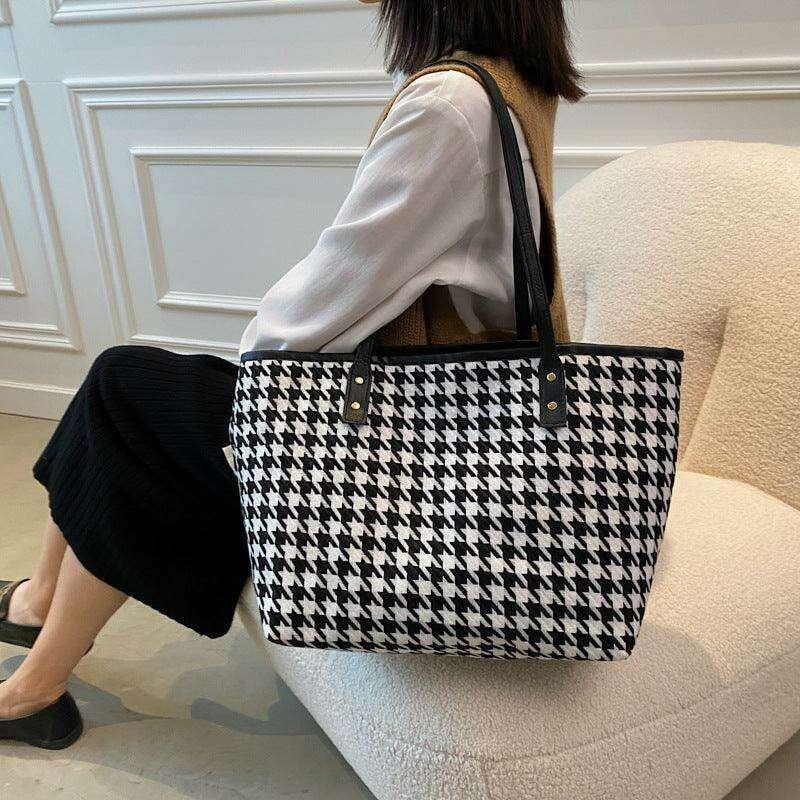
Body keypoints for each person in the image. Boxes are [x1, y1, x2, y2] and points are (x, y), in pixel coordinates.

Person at [0, 0, 583, 748]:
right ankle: (40, 603)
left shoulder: (451, 104)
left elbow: (331, 291)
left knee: (129, 400)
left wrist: (252, 386)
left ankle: (35, 690)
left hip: (413, 450)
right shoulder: (513, 82)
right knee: (126, 382)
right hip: (438, 417)